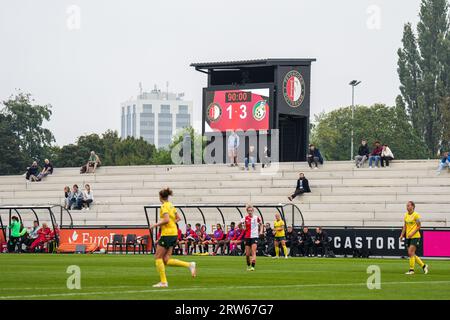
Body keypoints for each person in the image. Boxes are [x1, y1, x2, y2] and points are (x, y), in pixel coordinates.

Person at [149, 188, 196, 288]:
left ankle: (163, 282)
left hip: (167, 234)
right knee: (165, 260)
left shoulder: (164, 206)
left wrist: (155, 224)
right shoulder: (171, 205)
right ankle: (189, 265)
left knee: (157, 257)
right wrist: (171, 223)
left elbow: (166, 220)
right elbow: (178, 218)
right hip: (174, 233)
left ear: (160, 197)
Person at [400, 201, 429, 275]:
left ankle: (411, 270)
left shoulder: (416, 215)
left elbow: (419, 226)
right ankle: (424, 266)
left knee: (410, 252)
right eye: (407, 206)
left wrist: (412, 233)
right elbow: (405, 226)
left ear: (413, 206)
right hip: (408, 237)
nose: (407, 207)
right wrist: (402, 235)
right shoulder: (406, 215)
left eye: (409, 205)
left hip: (415, 236)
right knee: (411, 254)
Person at [238, 204, 263, 271]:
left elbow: (261, 224)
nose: (250, 212)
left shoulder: (256, 217)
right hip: (247, 237)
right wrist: (242, 228)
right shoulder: (245, 218)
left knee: (253, 252)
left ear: (253, 210)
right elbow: (239, 225)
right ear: (247, 211)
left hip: (254, 236)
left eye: (251, 210)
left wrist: (260, 231)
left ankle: (253, 267)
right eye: (248, 210)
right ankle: (248, 265)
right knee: (247, 254)